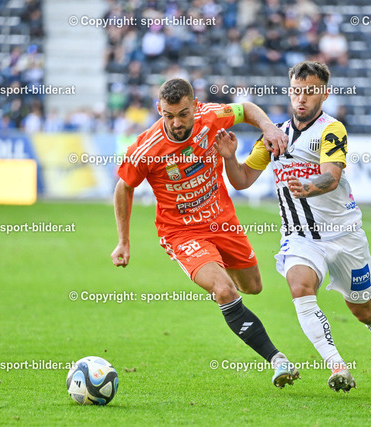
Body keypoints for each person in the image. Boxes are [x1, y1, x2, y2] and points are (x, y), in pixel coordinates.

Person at [213, 61, 371, 393]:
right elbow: (242, 180)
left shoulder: (331, 129)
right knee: (300, 287)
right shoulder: (274, 136)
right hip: (300, 237)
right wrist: (229, 157)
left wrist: (308, 186)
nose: (301, 98)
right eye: (296, 91)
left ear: (324, 94)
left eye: (310, 92)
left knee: (360, 308)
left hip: (344, 235)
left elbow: (332, 176)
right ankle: (337, 366)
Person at [111, 78, 298, 388]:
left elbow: (246, 109)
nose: (176, 122)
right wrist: (123, 241)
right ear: (159, 109)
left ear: (195, 107)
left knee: (252, 287)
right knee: (225, 291)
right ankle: (278, 360)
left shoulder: (210, 116)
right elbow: (124, 186)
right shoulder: (147, 148)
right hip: (182, 233)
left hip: (222, 221)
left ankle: (221, 282)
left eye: (183, 114)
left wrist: (269, 128)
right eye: (168, 115)